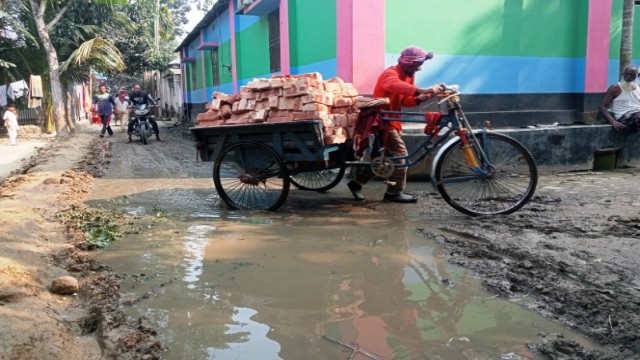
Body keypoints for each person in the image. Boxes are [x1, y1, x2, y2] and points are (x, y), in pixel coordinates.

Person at [347, 46, 444, 203]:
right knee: (400, 156)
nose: (419, 68)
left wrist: (421, 98)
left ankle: (356, 183)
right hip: (383, 122)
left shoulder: (408, 75)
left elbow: (404, 100)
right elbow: (392, 85)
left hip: (394, 120)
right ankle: (394, 192)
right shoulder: (390, 74)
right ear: (406, 63)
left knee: (383, 159)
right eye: (416, 65)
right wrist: (421, 90)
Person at [599, 64, 640, 131]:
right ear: (623, 74)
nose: (628, 76)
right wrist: (612, 121)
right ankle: (627, 127)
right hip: (624, 116)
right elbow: (602, 106)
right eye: (626, 74)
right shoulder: (616, 87)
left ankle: (627, 128)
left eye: (632, 74)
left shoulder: (638, 87)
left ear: (637, 76)